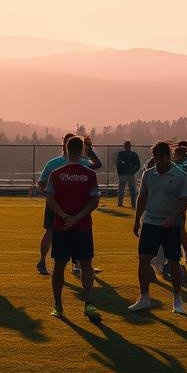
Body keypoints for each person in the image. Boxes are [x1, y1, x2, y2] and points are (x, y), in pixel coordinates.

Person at [131, 141, 187, 313]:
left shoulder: (181, 175)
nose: (155, 161)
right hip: (150, 222)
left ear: (167, 156)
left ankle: (177, 299)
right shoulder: (148, 174)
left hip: (172, 225)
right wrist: (137, 220)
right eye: (154, 157)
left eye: (158, 158)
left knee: (174, 261)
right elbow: (142, 197)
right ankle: (144, 298)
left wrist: (174, 216)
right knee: (144, 259)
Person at [45, 136, 102, 322]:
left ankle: (58, 305)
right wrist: (77, 217)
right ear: (84, 151)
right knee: (86, 265)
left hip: (62, 227)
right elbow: (94, 200)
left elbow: (50, 200)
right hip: (83, 227)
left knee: (59, 266)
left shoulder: (56, 173)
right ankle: (89, 304)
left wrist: (64, 217)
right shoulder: (89, 174)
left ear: (66, 149)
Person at [36, 133, 102, 276]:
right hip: (57, 205)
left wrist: (88, 150)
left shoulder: (82, 162)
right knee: (51, 231)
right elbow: (41, 183)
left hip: (73, 206)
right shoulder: (54, 163)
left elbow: (96, 165)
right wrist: (49, 195)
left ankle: (79, 264)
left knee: (77, 234)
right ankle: (43, 261)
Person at [115, 141, 142, 208]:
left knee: (124, 190)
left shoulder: (121, 154)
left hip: (126, 174)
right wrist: (133, 171)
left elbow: (119, 163)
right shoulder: (132, 154)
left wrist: (133, 172)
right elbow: (138, 165)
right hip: (127, 174)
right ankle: (132, 204)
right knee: (131, 190)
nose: (127, 147)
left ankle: (121, 204)